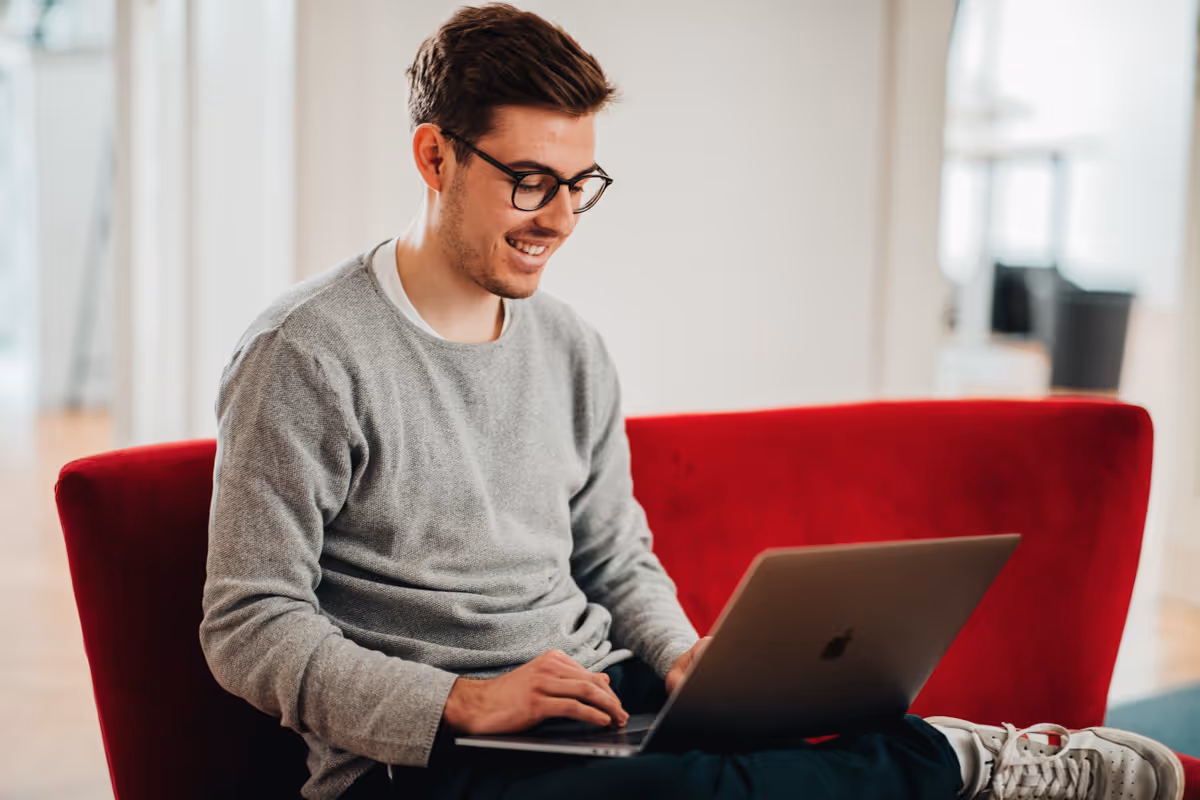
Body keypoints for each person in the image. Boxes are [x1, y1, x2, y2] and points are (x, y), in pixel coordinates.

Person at [199, 4, 1185, 800]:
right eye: (530, 182)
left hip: (590, 711)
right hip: (416, 763)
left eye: (579, 185)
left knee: (751, 752)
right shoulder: (305, 354)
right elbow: (248, 621)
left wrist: (680, 660)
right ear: (435, 157)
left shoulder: (569, 345)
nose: (557, 219)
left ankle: (919, 753)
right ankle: (965, 766)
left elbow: (613, 553)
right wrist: (459, 698)